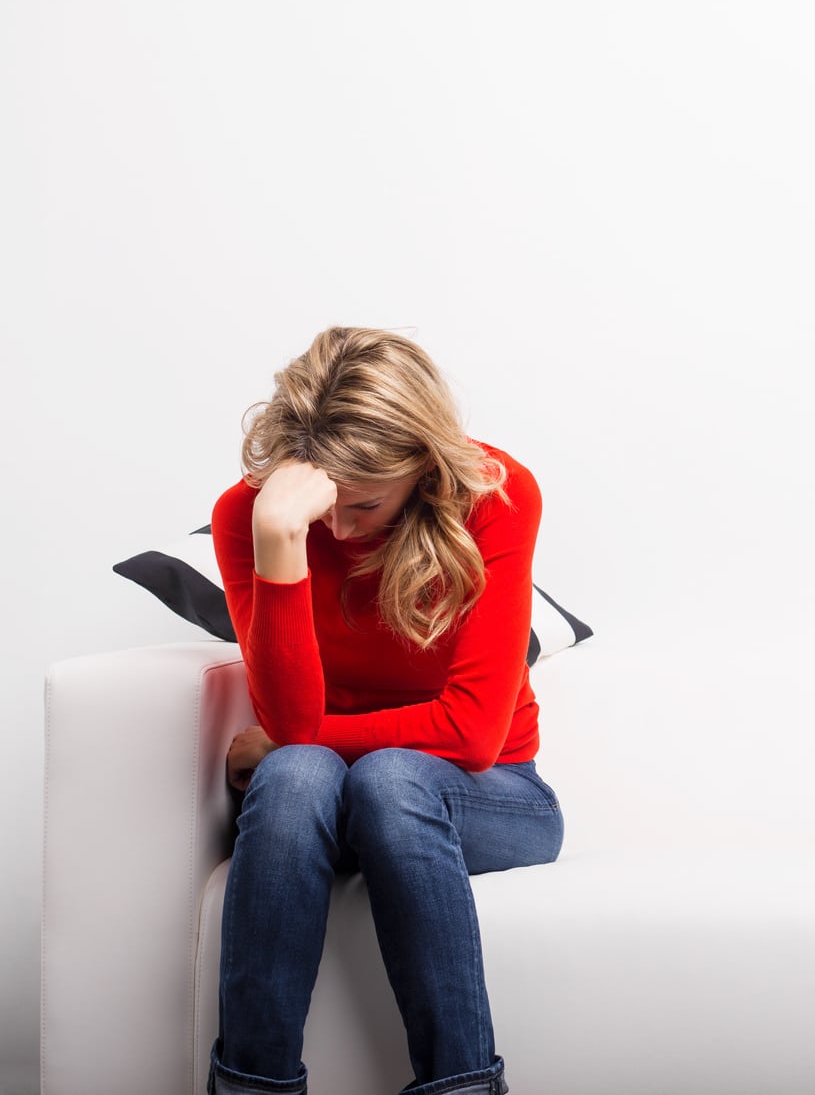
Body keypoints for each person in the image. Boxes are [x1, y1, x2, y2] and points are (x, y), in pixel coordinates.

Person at [207, 327, 562, 1095]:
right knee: (300, 774)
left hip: (495, 793)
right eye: (321, 507)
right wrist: (278, 540)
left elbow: (470, 731)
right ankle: (251, 1088)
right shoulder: (256, 517)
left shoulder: (498, 496)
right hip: (323, 799)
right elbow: (296, 729)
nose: (337, 530)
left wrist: (293, 745)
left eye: (363, 503)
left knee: (386, 778)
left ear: (423, 469)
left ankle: (463, 1087)